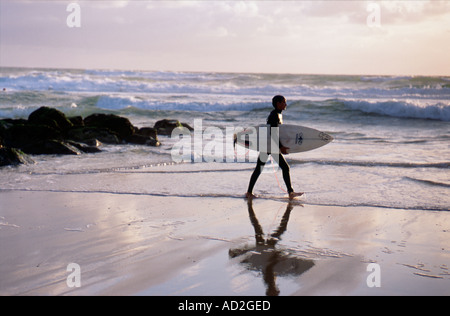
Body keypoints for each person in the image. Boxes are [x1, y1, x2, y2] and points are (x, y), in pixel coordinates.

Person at [245, 95, 303, 200]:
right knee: (284, 168)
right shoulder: (274, 115)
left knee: (259, 168)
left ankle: (249, 192)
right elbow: (273, 133)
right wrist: (281, 147)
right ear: (278, 103)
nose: (286, 104)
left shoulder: (277, 114)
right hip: (270, 145)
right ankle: (290, 192)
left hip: (268, 144)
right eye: (284, 102)